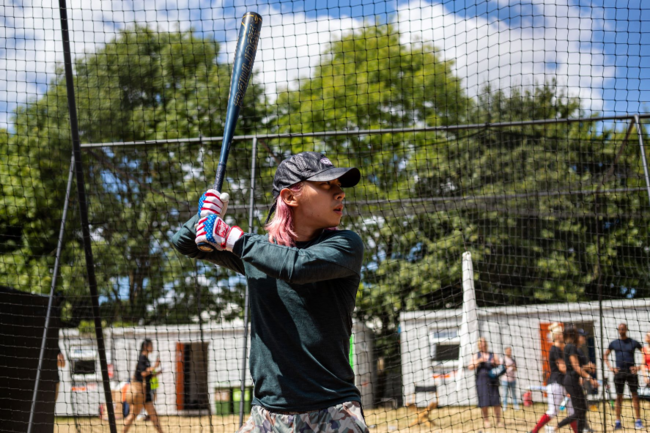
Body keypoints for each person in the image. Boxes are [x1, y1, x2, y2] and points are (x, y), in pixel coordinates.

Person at [172, 152, 368, 433]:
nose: (340, 194)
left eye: (339, 187)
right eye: (327, 185)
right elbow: (184, 243)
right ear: (290, 196)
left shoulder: (345, 245)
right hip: (267, 415)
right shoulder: (258, 252)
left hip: (332, 411)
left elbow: (297, 266)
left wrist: (231, 237)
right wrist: (205, 214)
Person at [529, 323, 574, 433]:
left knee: (573, 411)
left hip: (563, 383)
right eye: (562, 334)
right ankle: (534, 431)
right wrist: (576, 370)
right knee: (553, 411)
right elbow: (562, 368)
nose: (564, 336)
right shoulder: (555, 349)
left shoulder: (562, 349)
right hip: (556, 384)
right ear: (558, 335)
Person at [556, 327, 597, 433]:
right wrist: (590, 378)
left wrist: (587, 369)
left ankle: (581, 430)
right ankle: (554, 428)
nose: (584, 338)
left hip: (573, 380)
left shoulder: (571, 347)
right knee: (579, 411)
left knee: (582, 409)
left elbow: (575, 367)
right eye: (581, 335)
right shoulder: (571, 347)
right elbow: (576, 367)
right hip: (571, 381)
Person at [604, 323, 643, 430]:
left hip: (631, 372)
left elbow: (645, 353)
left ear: (626, 329)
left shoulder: (633, 342)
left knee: (635, 395)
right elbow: (605, 355)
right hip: (619, 373)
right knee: (619, 397)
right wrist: (611, 368)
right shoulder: (614, 343)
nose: (621, 330)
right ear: (618, 330)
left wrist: (639, 367)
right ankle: (617, 422)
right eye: (620, 329)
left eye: (623, 329)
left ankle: (638, 420)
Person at [123, 339, 163, 433]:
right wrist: (155, 366)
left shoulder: (146, 359)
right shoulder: (142, 358)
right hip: (140, 392)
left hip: (146, 392)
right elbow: (143, 374)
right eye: (151, 345)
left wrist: (157, 373)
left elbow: (147, 375)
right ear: (145, 346)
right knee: (133, 415)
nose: (152, 347)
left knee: (153, 415)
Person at [469, 337, 503, 428]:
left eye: (484, 342)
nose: (483, 344)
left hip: (492, 380)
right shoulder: (477, 355)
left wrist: (494, 362)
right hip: (481, 380)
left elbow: (499, 363)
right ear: (479, 345)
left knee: (496, 401)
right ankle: (486, 420)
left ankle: (499, 421)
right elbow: (470, 367)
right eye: (481, 342)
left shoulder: (492, 354)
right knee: (484, 401)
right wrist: (479, 361)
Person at [501, 346, 519, 411]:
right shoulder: (503, 359)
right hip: (505, 379)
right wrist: (507, 367)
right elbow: (501, 369)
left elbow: (516, 369)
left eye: (510, 351)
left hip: (513, 379)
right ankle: (504, 406)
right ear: (505, 352)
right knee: (505, 394)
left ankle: (516, 406)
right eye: (508, 351)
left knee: (514, 394)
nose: (509, 352)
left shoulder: (513, 360)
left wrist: (513, 367)